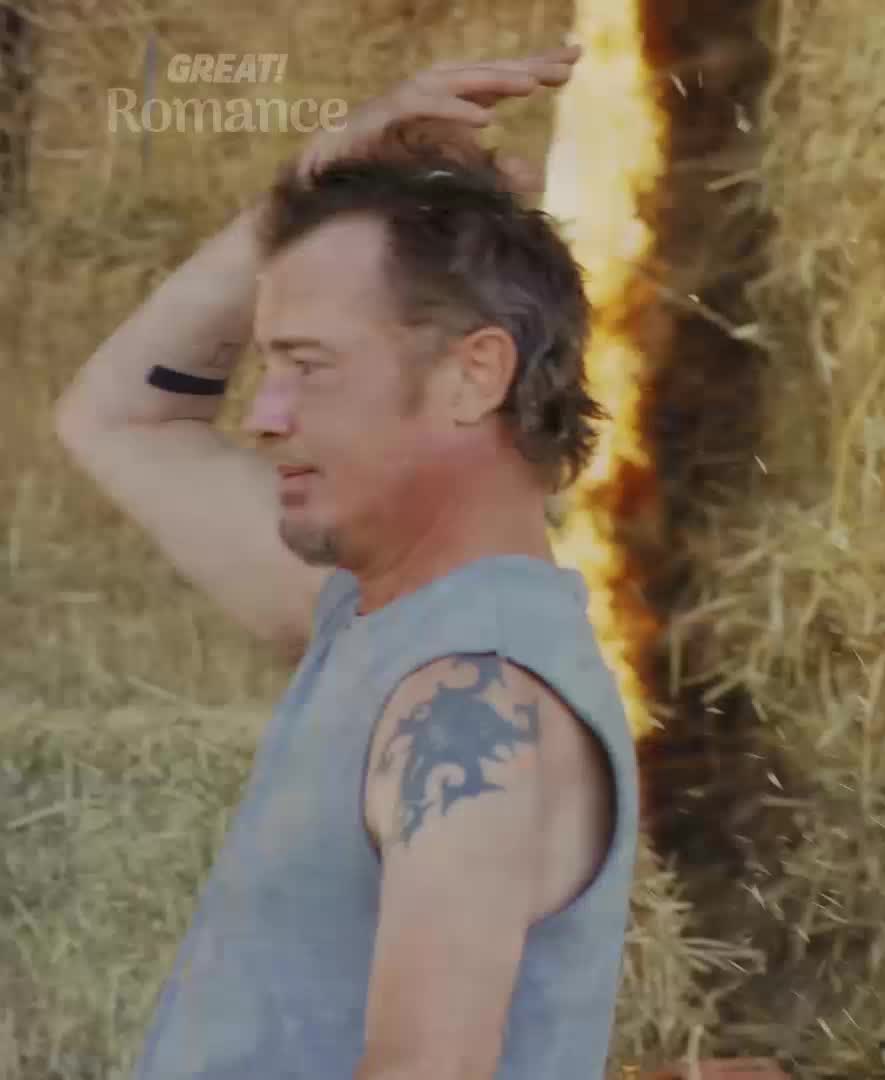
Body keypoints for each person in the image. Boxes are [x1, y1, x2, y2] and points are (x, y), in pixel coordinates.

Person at [52, 47, 643, 1079]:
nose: (265, 415)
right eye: (267, 363)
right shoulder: (375, 617)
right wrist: (311, 191)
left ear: (475, 376)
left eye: (309, 367)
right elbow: (120, 418)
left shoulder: (474, 697)